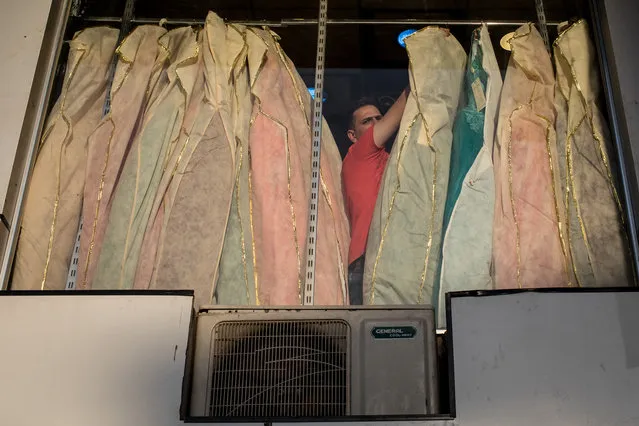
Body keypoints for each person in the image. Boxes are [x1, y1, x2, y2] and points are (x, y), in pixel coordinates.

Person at [341, 87, 410, 304]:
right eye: (366, 121)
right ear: (353, 136)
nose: (375, 123)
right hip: (365, 258)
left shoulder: (389, 158)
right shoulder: (360, 153)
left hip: (385, 253)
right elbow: (400, 108)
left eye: (378, 118)